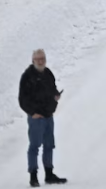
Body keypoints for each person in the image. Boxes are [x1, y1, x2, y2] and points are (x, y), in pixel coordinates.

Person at [18, 48, 67, 185]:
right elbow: (22, 99)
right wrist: (33, 113)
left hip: (48, 116)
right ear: (32, 60)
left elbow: (52, 89)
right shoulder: (27, 76)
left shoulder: (48, 73)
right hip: (36, 118)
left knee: (49, 145)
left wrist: (56, 95)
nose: (40, 61)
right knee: (34, 146)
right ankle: (33, 177)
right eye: (38, 59)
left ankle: (49, 174)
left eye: (43, 59)